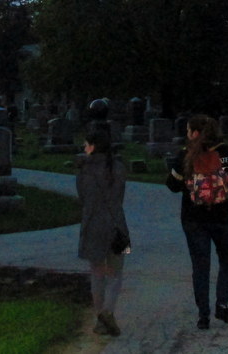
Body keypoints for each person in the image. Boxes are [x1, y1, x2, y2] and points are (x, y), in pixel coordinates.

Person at [166, 115, 228, 330]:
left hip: (194, 219)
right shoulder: (226, 154)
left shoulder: (185, 155)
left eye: (188, 131)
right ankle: (222, 304)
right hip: (225, 218)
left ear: (195, 133)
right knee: (227, 261)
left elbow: (172, 185)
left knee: (200, 266)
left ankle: (203, 315)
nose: (186, 134)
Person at [76, 128, 130, 337]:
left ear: (93, 146)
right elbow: (119, 196)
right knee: (116, 274)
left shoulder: (84, 169)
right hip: (117, 225)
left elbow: (82, 198)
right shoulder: (117, 167)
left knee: (97, 274)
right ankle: (108, 311)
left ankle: (100, 317)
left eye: (86, 144)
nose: (83, 147)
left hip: (92, 225)